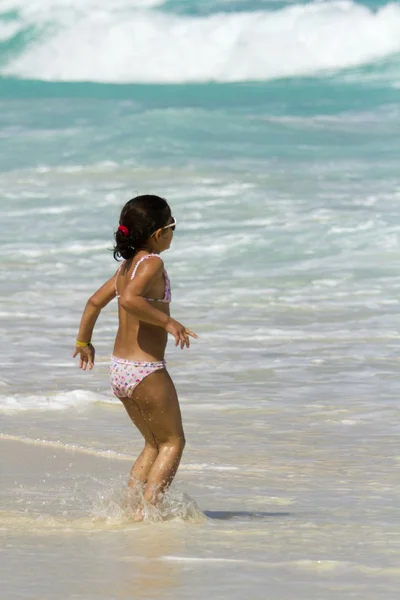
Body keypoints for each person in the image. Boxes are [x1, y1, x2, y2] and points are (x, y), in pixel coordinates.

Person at [73, 194, 198, 520]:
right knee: (173, 442)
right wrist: (169, 322)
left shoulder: (127, 267)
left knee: (153, 444)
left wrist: (83, 340)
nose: (174, 232)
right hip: (145, 369)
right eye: (173, 226)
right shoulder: (153, 263)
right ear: (158, 234)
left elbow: (93, 302)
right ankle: (151, 510)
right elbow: (130, 300)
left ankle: (130, 509)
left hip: (120, 370)